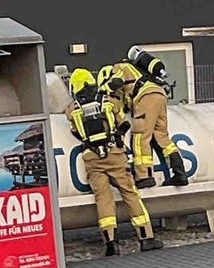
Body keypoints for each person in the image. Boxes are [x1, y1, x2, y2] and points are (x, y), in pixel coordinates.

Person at [65, 68, 164, 256]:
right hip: (114, 154)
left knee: (103, 199)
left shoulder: (71, 110)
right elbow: (122, 123)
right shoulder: (109, 102)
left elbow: (75, 132)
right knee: (130, 194)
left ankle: (110, 243)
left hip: (92, 158)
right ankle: (146, 238)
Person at [106, 46, 189, 189]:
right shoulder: (144, 72)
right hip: (160, 95)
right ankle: (180, 172)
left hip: (145, 97)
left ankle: (144, 177)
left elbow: (117, 82)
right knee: (162, 137)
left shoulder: (122, 66)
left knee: (140, 137)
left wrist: (106, 89)